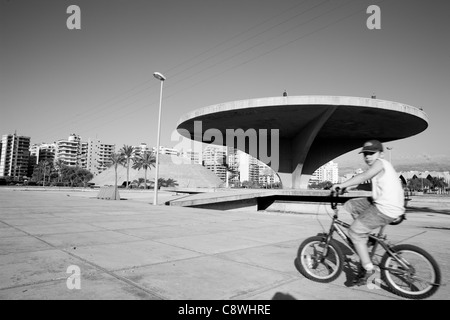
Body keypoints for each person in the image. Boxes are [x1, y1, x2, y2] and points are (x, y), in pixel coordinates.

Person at [331, 139, 405, 286]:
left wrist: (341, 184)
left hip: (385, 208)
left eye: (371, 153)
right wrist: (348, 188)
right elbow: (367, 182)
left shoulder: (380, 163)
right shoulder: (382, 167)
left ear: (381, 154)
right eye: (365, 153)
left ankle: (368, 269)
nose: (368, 156)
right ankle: (367, 237)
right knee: (351, 205)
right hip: (382, 203)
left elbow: (365, 176)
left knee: (353, 232)